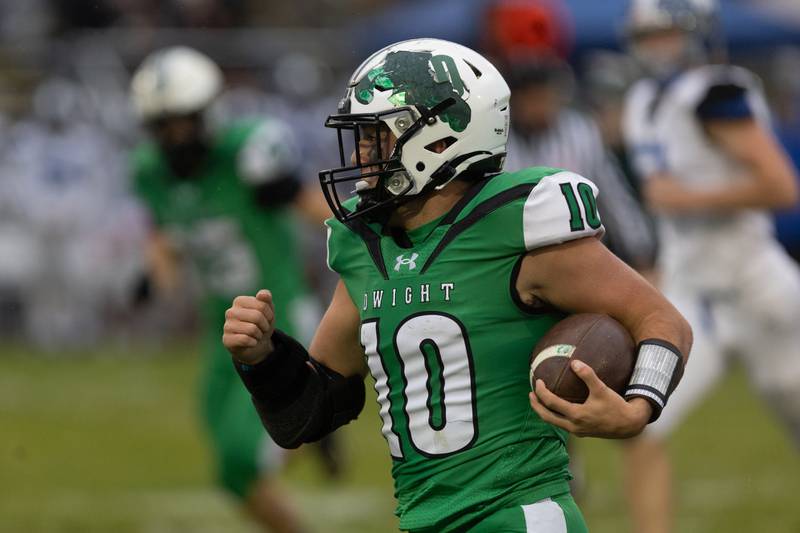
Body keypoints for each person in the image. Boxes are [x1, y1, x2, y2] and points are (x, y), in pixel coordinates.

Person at [223, 38, 692, 532]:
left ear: (443, 139)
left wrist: (639, 405)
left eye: (377, 137)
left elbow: (662, 319)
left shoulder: (520, 225)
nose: (362, 156)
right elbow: (312, 411)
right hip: (425, 521)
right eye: (360, 138)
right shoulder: (366, 246)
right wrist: (263, 358)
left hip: (520, 515)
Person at [129, 46, 332, 533]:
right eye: (162, 126)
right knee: (230, 473)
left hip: (275, 320)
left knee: (243, 460)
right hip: (218, 331)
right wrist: (154, 272)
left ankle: (316, 415)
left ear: (207, 112)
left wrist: (368, 237)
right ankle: (316, 424)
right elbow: (165, 230)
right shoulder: (149, 171)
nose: (173, 138)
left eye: (181, 122)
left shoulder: (247, 150)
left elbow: (302, 201)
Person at [621, 2, 800, 533]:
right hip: (689, 292)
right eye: (647, 34)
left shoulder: (717, 94)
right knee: (640, 419)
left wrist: (687, 198)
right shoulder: (642, 99)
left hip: (756, 287)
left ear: (695, 33)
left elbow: (781, 186)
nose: (656, 44)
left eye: (666, 32)